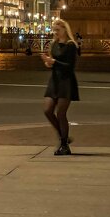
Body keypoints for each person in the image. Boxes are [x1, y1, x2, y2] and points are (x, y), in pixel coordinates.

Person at [42, 18, 80, 155]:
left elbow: (70, 67)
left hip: (66, 81)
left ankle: (64, 145)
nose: (55, 32)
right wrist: (48, 63)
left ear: (65, 30)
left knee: (61, 113)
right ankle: (63, 137)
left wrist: (54, 62)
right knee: (47, 110)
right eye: (54, 30)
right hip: (55, 80)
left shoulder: (71, 45)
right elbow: (53, 62)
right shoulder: (54, 44)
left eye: (58, 30)